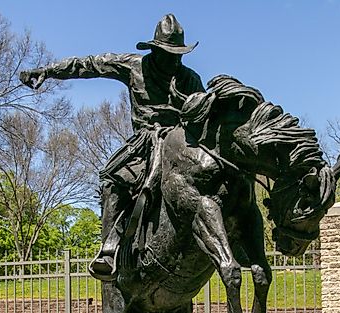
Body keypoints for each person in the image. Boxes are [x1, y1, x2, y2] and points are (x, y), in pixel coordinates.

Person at [20, 14, 205, 281]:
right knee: (112, 180)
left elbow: (203, 116)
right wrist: (47, 71)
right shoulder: (134, 66)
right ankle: (110, 248)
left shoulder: (190, 78)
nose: (174, 60)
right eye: (168, 53)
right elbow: (88, 64)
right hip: (145, 144)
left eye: (178, 55)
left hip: (181, 145)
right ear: (155, 49)